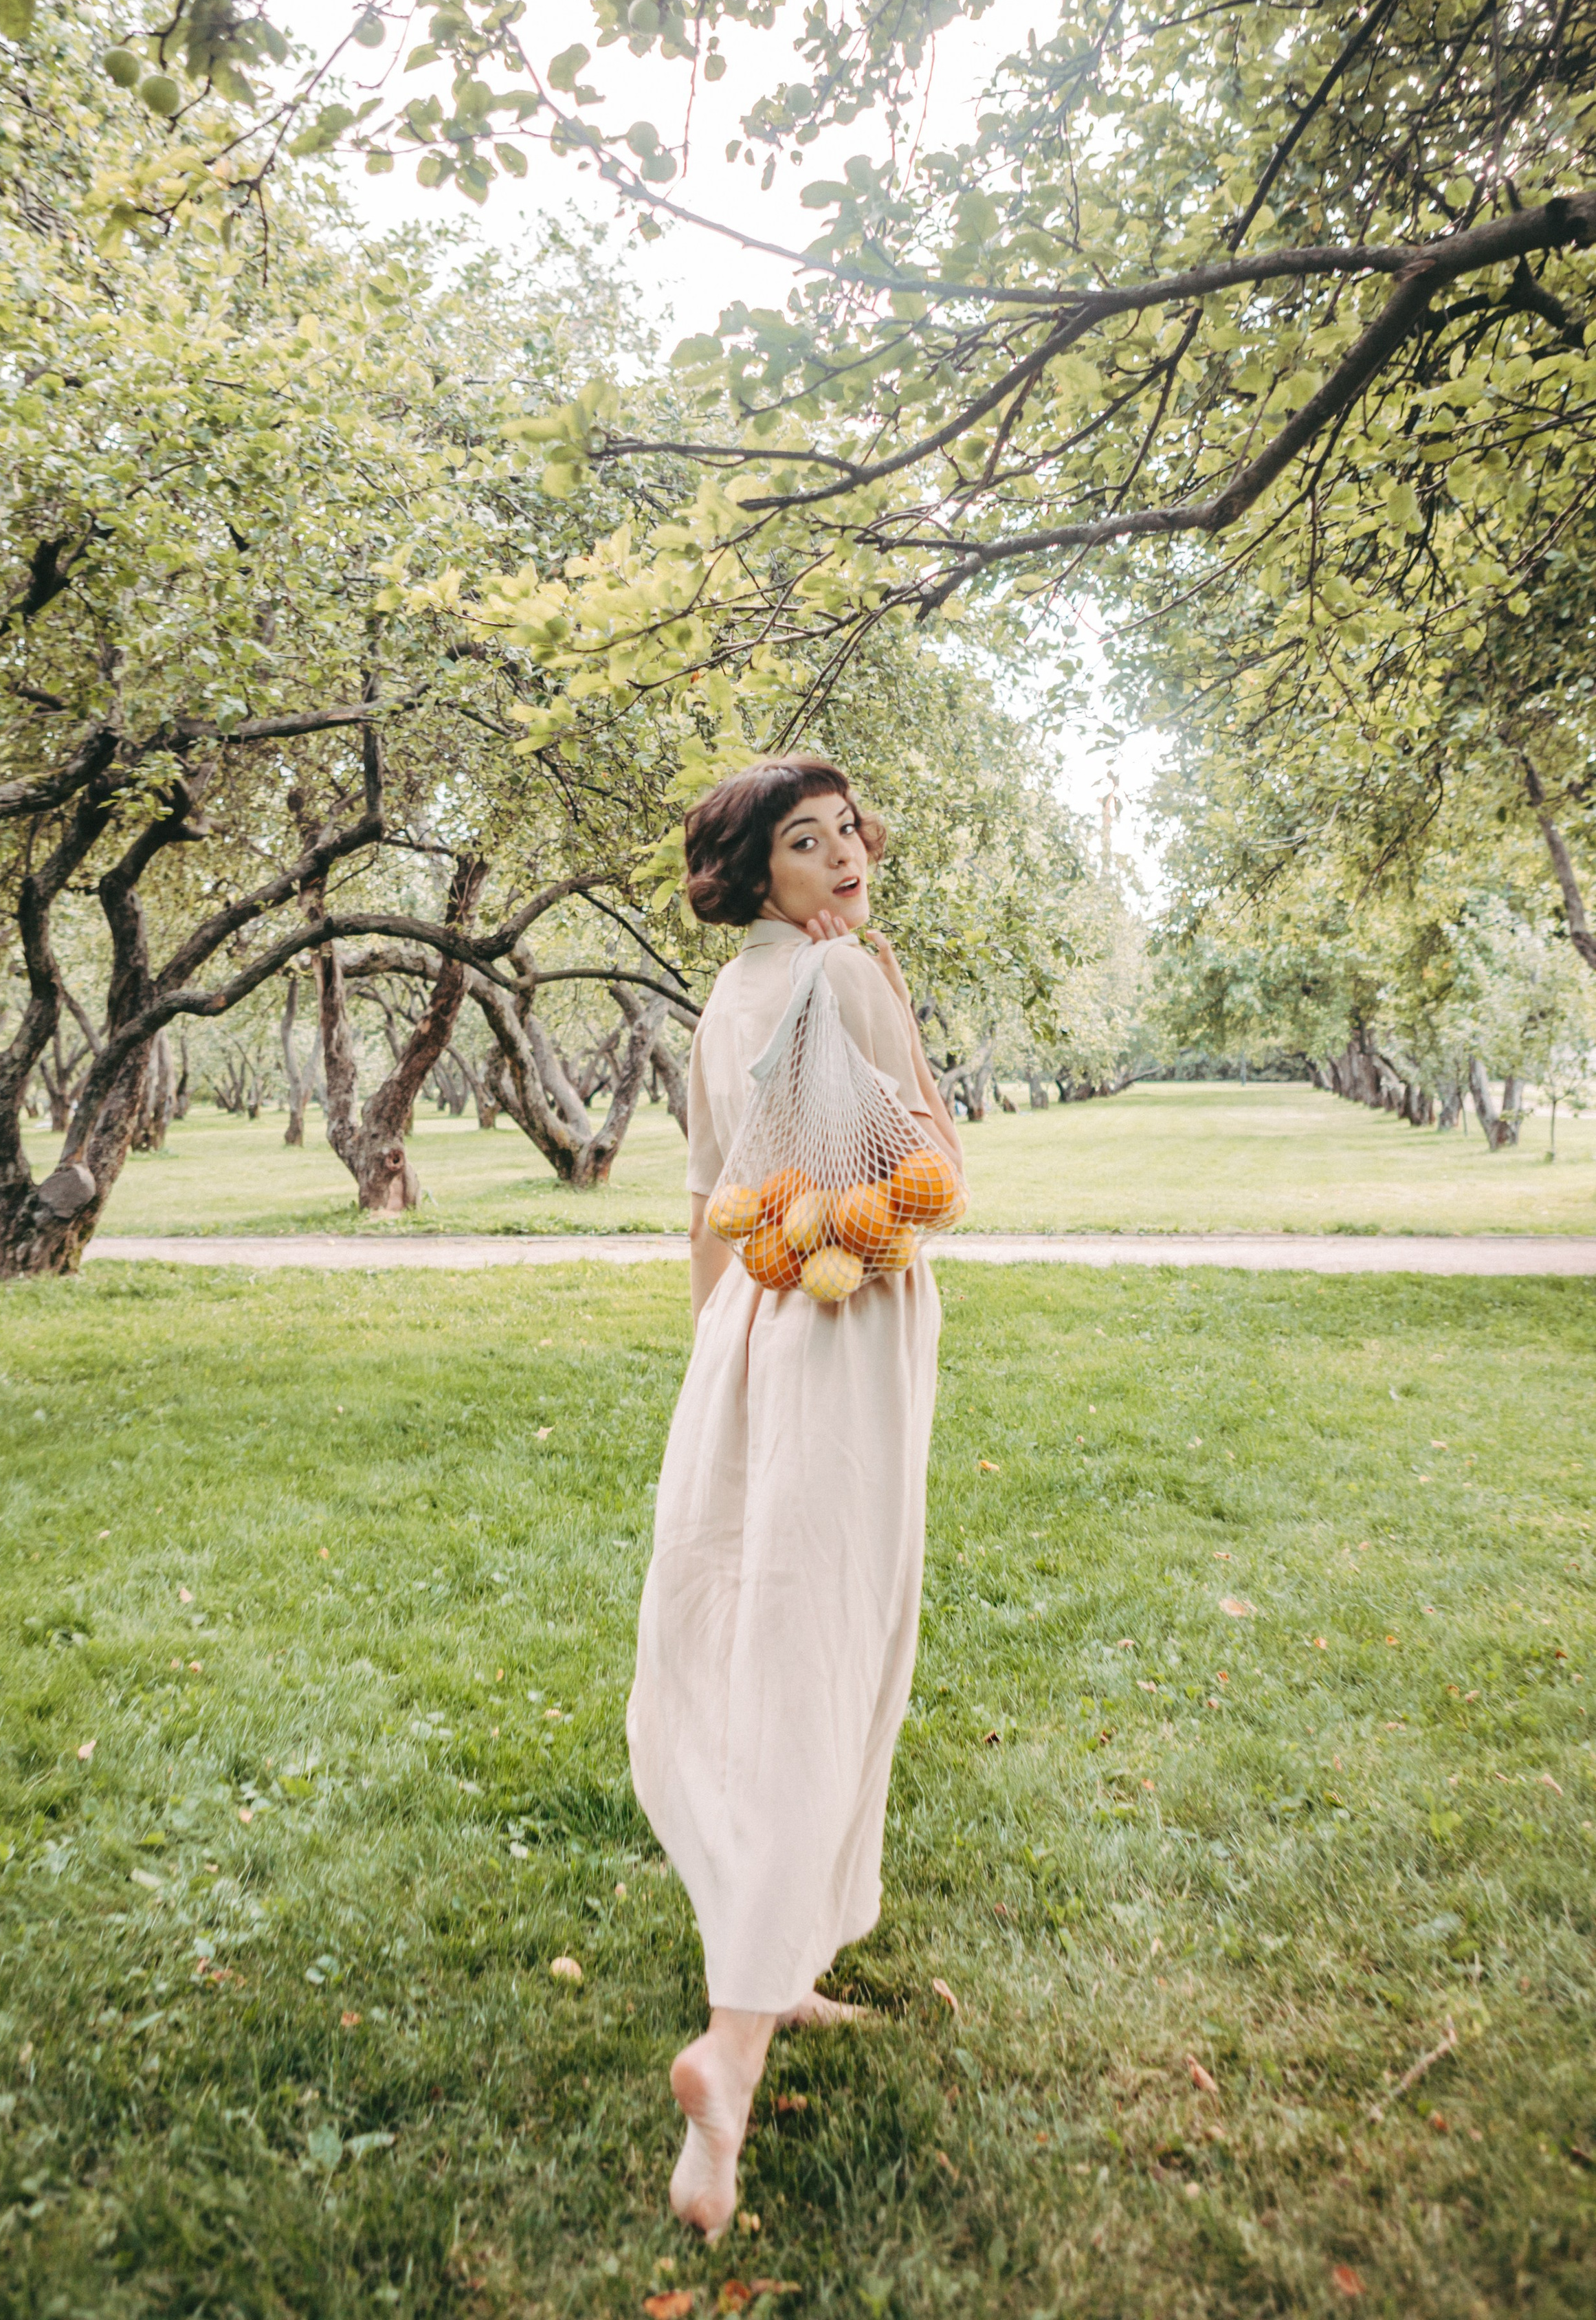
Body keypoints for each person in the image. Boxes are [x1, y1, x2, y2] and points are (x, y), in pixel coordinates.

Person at [626, 754, 965, 2237]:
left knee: (756, 1644)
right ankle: (736, 2046)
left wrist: (717, 1355)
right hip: (843, 1340)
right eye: (806, 841)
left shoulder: (728, 1004)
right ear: (757, 870)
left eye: (849, 837)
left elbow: (712, 1194)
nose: (843, 862)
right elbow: (930, 1179)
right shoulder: (847, 987)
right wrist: (894, 1011)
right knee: (821, 1659)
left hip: (749, 1345)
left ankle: (779, 1966)